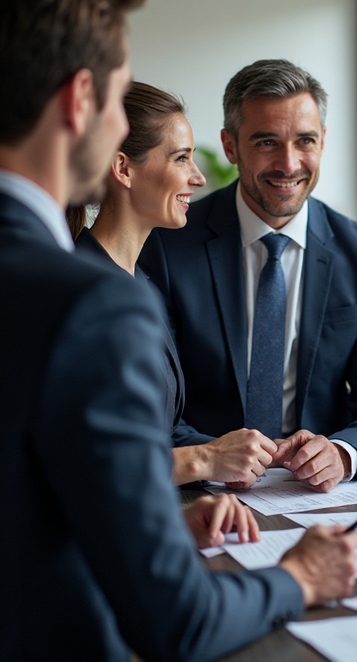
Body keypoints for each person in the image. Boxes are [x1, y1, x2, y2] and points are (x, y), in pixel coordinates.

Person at [0, 0, 357, 661]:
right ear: (81, 102)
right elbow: (175, 624)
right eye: (118, 94)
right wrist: (298, 578)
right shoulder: (91, 305)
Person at [139, 58, 357, 492]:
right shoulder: (169, 245)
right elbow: (153, 410)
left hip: (319, 496)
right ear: (230, 147)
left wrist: (343, 453)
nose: (288, 164)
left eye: (304, 141)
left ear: (323, 142)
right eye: (267, 142)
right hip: (204, 490)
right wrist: (213, 458)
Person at [71, 81, 277, 487]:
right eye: (181, 158)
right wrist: (204, 460)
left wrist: (260, 453)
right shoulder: (77, 292)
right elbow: (77, 459)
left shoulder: (143, 285)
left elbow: (162, 431)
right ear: (123, 168)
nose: (199, 177)